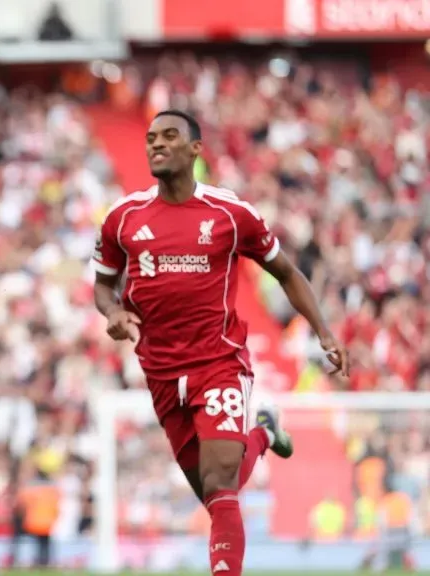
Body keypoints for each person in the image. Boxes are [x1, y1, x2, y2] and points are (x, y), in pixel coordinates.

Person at [92, 109, 349, 576]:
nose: (157, 144)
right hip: (160, 371)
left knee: (221, 478)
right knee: (213, 492)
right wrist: (113, 313)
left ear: (196, 149)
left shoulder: (231, 214)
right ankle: (266, 433)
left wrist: (324, 332)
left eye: (170, 136)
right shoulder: (122, 219)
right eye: (151, 138)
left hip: (219, 362)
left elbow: (287, 273)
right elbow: (103, 286)